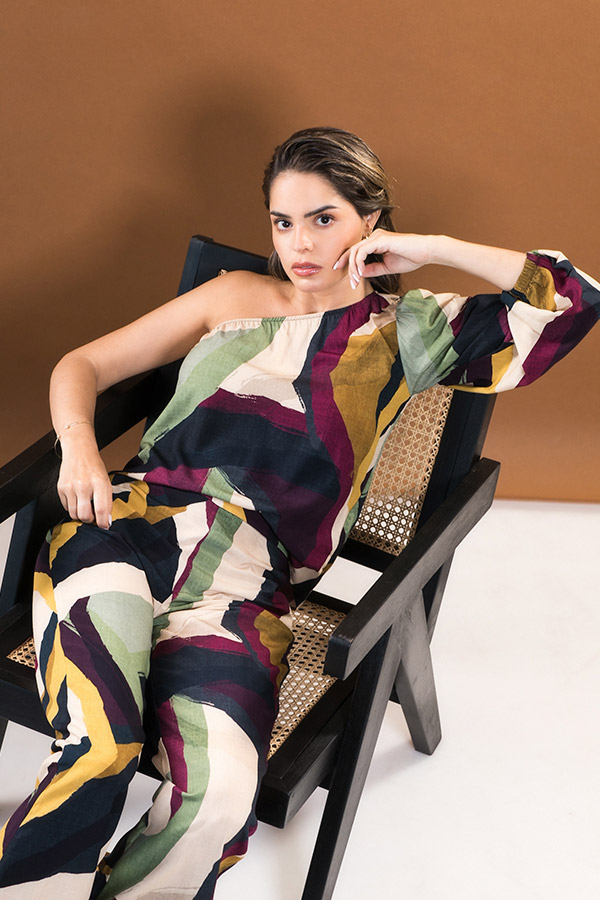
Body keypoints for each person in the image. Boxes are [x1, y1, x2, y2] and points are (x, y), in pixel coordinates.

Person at [0, 126, 598, 899]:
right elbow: (82, 363)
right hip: (126, 534)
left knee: (218, 799)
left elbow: (573, 298)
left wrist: (434, 247)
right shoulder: (232, 296)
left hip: (244, 588)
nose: (300, 244)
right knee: (100, 747)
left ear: (370, 223)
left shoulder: (410, 332)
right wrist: (80, 450)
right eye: (284, 222)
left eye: (324, 219)